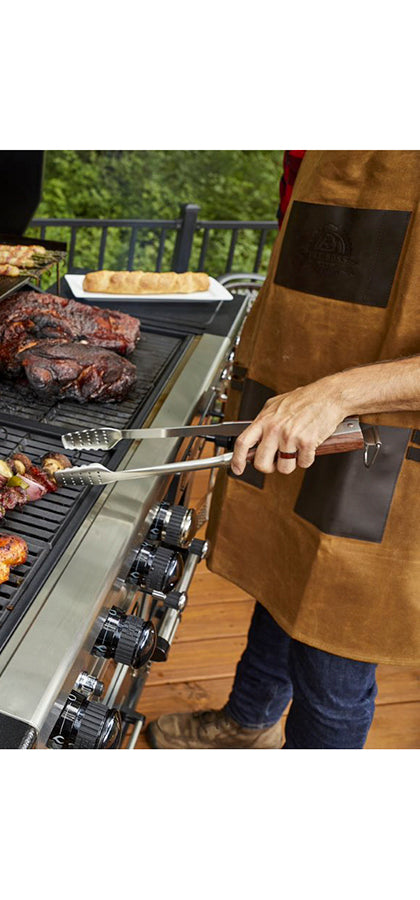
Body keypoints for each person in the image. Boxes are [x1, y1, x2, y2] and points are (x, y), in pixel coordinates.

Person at [147, 150, 420, 749]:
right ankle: (247, 721)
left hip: (383, 450)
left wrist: (337, 393)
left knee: (333, 659)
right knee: (282, 581)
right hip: (290, 413)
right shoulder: (315, 151)